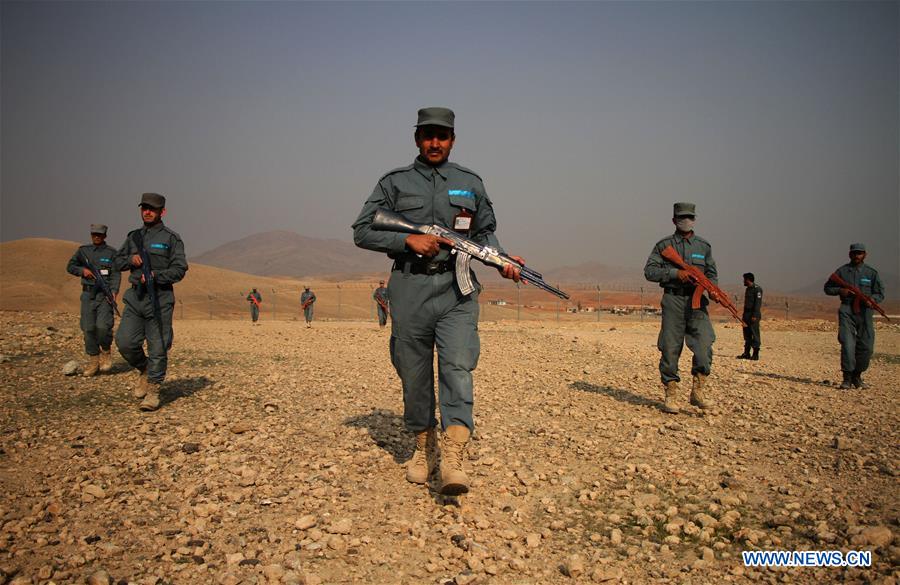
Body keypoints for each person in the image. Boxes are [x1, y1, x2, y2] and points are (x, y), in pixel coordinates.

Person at [352, 107, 522, 495]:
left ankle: (455, 456)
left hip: (456, 290)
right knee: (413, 373)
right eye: (428, 135)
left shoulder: (470, 182)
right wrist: (406, 240)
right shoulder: (394, 182)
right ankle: (423, 446)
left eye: (442, 136)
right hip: (409, 288)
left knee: (458, 367)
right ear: (416, 139)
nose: (434, 143)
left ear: (452, 140)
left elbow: (486, 234)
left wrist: (502, 260)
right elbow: (362, 230)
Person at [114, 193, 188, 411]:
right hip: (136, 297)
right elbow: (117, 261)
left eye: (152, 209)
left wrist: (157, 276)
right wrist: (130, 259)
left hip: (160, 298)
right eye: (144, 208)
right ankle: (145, 368)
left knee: (158, 346)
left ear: (162, 212)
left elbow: (180, 269)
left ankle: (154, 389)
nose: (147, 212)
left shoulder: (171, 239)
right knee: (125, 341)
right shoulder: (133, 237)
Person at [644, 202, 718, 414]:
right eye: (682, 217)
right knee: (670, 347)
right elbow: (650, 271)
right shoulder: (664, 246)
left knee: (704, 344)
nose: (687, 221)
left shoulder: (703, 247)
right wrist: (676, 274)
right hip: (673, 300)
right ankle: (671, 392)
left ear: (695, 219)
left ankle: (698, 390)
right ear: (674, 220)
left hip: (697, 303)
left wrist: (712, 288)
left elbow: (712, 273)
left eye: (690, 217)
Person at [824, 243, 885, 389]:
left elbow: (880, 292)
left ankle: (857, 376)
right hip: (847, 310)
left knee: (867, 346)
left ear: (865, 254)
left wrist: (872, 300)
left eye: (860, 253)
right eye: (854, 253)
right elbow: (828, 288)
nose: (857, 256)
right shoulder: (842, 272)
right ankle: (847, 377)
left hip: (865, 312)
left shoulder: (871, 273)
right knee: (847, 344)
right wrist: (841, 291)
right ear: (850, 254)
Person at [66, 224, 121, 376]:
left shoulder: (111, 253)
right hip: (88, 294)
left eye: (100, 234)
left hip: (104, 296)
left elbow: (116, 273)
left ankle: (106, 350)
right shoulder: (83, 251)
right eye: (94, 234)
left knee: (103, 327)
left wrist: (114, 291)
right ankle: (93, 361)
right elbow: (70, 266)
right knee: (88, 328)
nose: (97, 236)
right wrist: (82, 271)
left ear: (105, 236)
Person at [737, 273, 763, 360]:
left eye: (744, 279)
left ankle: (755, 354)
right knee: (747, 334)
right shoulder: (748, 289)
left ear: (748, 280)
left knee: (754, 333)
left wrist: (755, 315)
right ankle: (746, 353)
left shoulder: (757, 289)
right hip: (747, 314)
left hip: (753, 314)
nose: (743, 281)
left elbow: (757, 304)